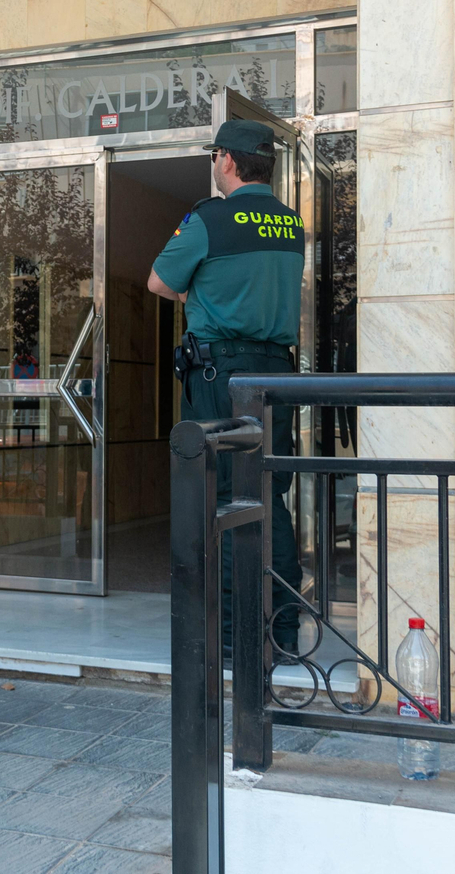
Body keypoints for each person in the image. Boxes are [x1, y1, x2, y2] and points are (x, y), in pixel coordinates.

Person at [147, 119, 306, 655]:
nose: (214, 164)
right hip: (276, 376)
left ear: (229, 161)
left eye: (215, 154)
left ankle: (236, 635)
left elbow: (159, 283)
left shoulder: (209, 217)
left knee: (222, 500)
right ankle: (283, 630)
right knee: (270, 496)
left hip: (220, 376)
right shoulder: (292, 224)